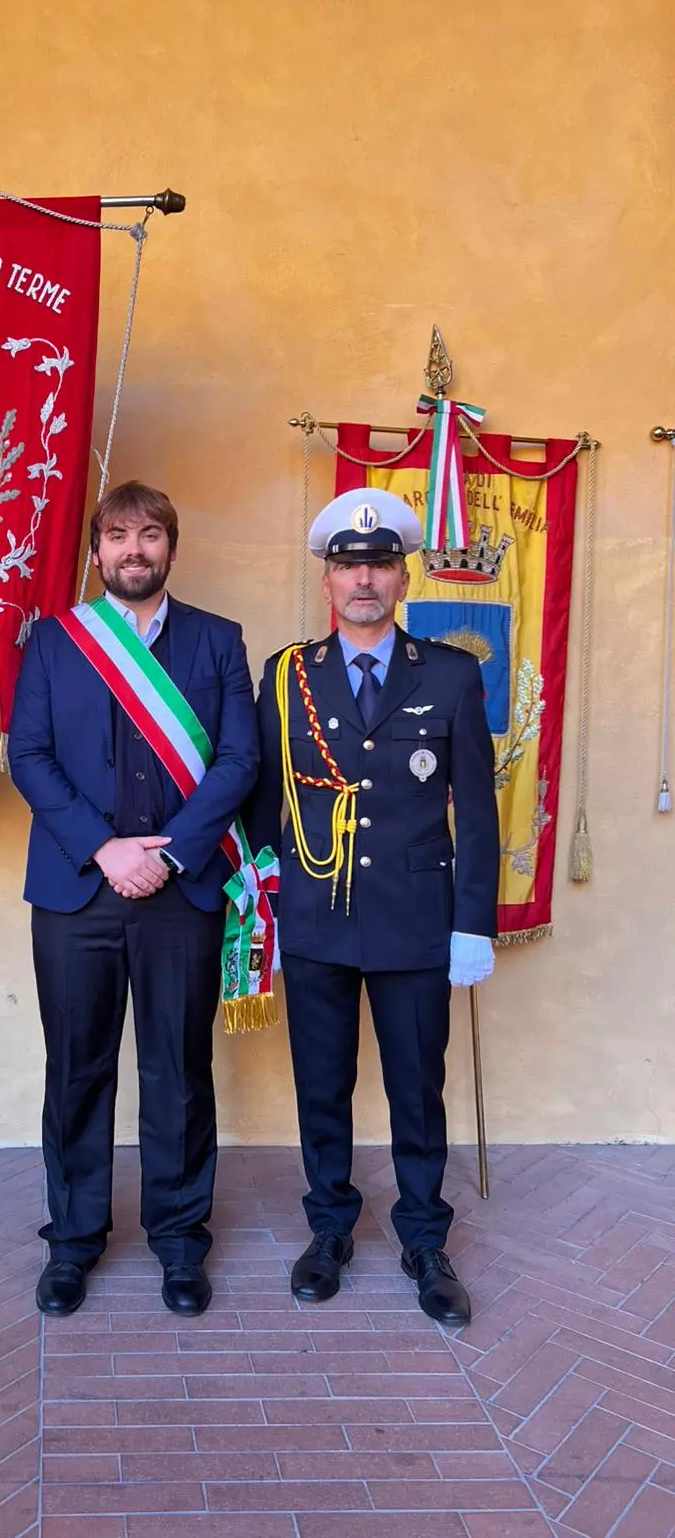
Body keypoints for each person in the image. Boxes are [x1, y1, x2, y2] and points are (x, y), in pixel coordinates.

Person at [245, 488, 499, 1326]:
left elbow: (477, 810)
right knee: (322, 1086)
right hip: (317, 917)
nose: (363, 579)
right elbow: (260, 800)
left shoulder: (454, 675)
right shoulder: (288, 676)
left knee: (416, 1090)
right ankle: (330, 1232)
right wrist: (256, 894)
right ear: (328, 579)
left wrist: (471, 924)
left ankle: (425, 1241)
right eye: (348, 565)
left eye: (380, 564)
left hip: (416, 922)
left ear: (403, 578)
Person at [7, 481, 260, 1318]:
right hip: (79, 891)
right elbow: (30, 756)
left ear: (171, 550)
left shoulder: (217, 641)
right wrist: (105, 849)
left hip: (181, 891)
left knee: (179, 1071)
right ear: (96, 552)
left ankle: (181, 1242)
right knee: (77, 1070)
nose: (134, 550)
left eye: (151, 535)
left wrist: (175, 852)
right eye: (118, 535)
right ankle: (73, 1241)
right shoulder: (53, 642)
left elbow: (238, 760)